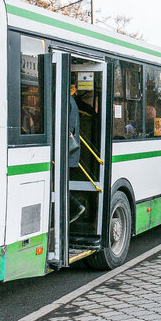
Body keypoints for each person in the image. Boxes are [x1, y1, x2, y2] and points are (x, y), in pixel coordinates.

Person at [68, 84, 85, 223]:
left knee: (57, 185)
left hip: (66, 155)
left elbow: (68, 129)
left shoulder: (67, 101)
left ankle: (75, 207)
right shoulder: (71, 101)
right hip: (70, 154)